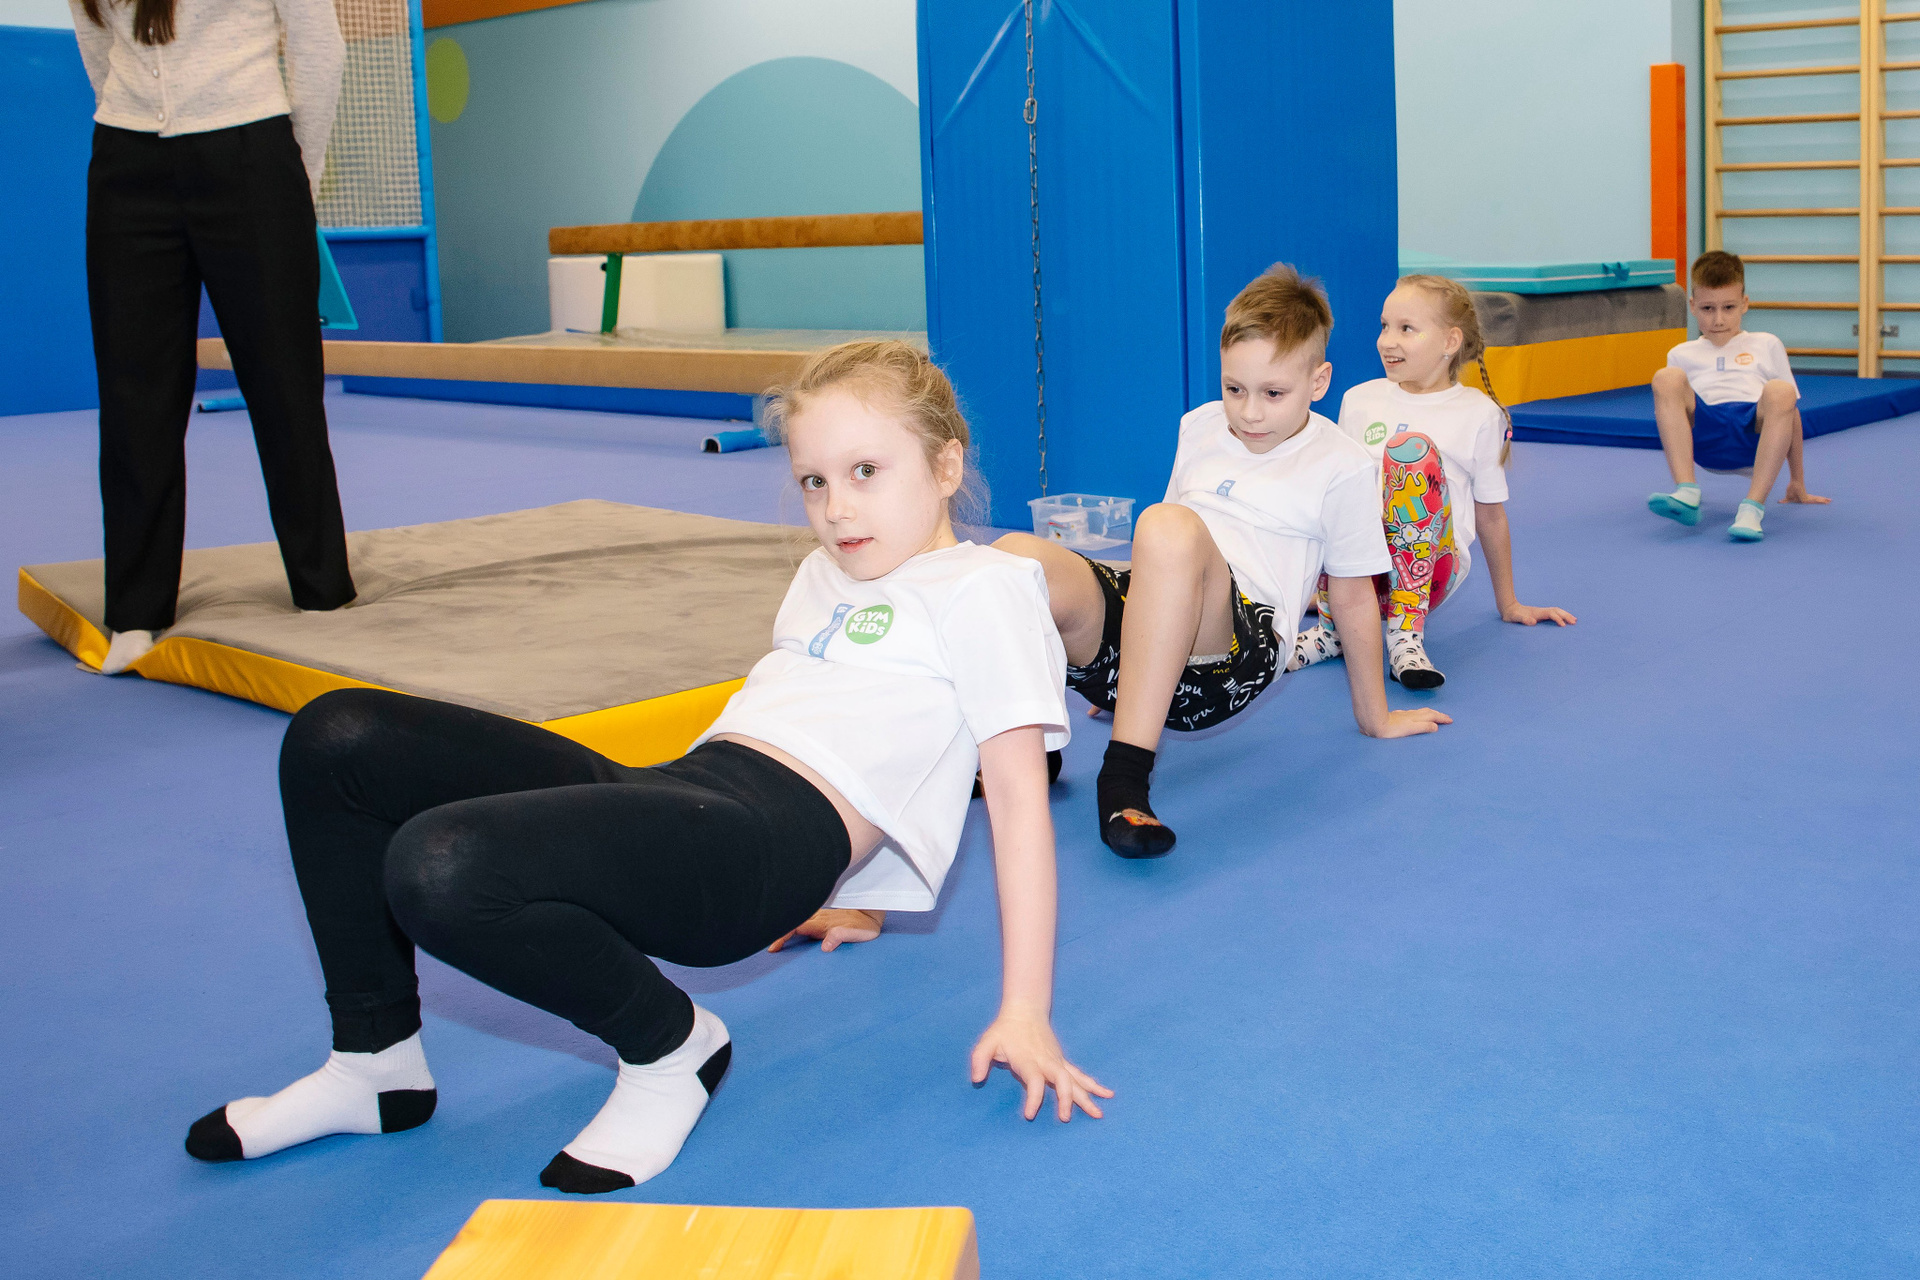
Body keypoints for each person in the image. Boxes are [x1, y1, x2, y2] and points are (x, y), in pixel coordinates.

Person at [181, 340, 1109, 1193]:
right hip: (693, 789)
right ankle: (373, 1061)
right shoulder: (824, 574)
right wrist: (857, 894)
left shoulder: (986, 589)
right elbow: (851, 733)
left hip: (759, 847)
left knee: (440, 865)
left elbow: (1015, 803)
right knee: (337, 735)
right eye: (814, 480)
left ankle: (670, 1047)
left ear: (945, 467)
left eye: (867, 472)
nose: (836, 508)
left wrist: (1024, 1008)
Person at [995, 264, 1450, 861]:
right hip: (1165, 630)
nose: (1250, 412)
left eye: (1272, 393)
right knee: (1012, 560)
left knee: (1167, 525)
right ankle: (1030, 746)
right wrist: (1133, 664)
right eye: (1235, 389)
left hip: (1236, 654)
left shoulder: (1340, 466)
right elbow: (1156, 565)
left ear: (1319, 381)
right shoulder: (1200, 426)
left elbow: (1352, 594)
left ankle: (1124, 778)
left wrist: (1376, 716)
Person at [71, 0, 358, 675]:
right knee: (135, 394)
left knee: (283, 384)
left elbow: (318, 44)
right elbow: (96, 39)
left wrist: (301, 170)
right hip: (126, 163)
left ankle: (321, 590)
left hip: (251, 150)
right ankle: (136, 611)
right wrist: (137, 121)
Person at [1289, 275, 1575, 690]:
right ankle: (1334, 629)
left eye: (1406, 328)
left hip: (1429, 572)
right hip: (1358, 568)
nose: (1387, 341)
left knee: (1411, 454)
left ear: (1450, 341)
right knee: (1326, 472)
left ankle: (1404, 632)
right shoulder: (1359, 399)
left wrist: (1509, 603)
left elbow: (1490, 515)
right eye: (1384, 326)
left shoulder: (1477, 414)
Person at [1647, 250, 1829, 541]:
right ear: (1692, 306)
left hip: (1753, 438)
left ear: (1744, 304)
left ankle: (1752, 509)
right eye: (1708, 309)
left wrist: (1798, 481)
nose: (1718, 319)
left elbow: (1790, 413)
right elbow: (1673, 413)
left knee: (1782, 391)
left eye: (1729, 307)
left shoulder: (1766, 344)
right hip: (1705, 439)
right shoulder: (1681, 353)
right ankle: (1687, 490)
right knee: (1665, 377)